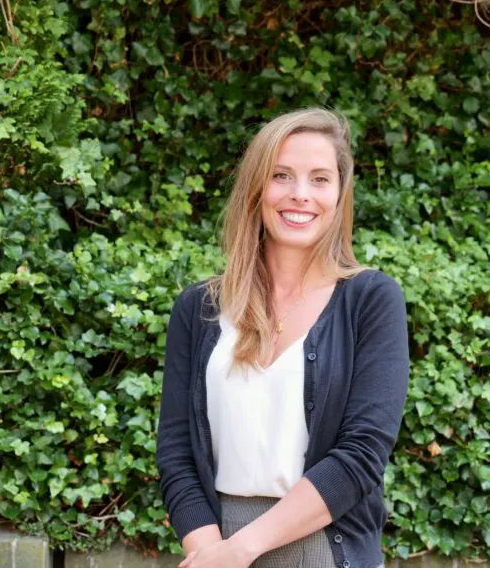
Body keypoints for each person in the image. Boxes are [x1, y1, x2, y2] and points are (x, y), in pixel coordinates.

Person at [155, 107, 410, 568]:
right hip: (214, 549)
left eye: (319, 179)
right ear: (256, 188)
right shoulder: (199, 308)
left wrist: (242, 550)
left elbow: (361, 455)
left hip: (323, 550)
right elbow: (176, 454)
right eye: (282, 175)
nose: (300, 195)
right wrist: (213, 554)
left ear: (339, 194)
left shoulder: (371, 300)